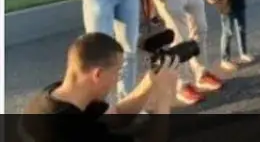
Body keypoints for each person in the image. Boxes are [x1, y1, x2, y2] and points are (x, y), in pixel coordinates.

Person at [20, 31, 178, 142]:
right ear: (98, 74)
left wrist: (150, 80)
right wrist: (163, 97)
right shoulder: (71, 130)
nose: (117, 79)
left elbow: (116, 116)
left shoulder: (53, 95)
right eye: (118, 71)